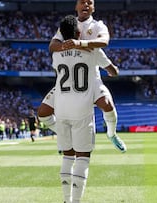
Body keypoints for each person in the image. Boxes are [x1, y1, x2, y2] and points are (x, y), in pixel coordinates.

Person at [38, 0, 126, 153]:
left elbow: (104, 41)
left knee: (107, 104)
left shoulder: (98, 25)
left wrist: (80, 44)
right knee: (43, 113)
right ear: (76, 6)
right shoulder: (68, 24)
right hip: (68, 78)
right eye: (82, 2)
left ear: (93, 7)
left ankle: (112, 134)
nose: (85, 5)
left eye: (89, 2)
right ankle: (66, 135)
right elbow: (52, 46)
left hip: (90, 76)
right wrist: (66, 46)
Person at [51, 15, 119, 203]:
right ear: (79, 33)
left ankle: (66, 200)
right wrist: (113, 70)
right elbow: (112, 70)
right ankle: (76, 201)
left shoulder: (56, 55)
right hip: (81, 108)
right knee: (82, 157)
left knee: (67, 156)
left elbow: (57, 68)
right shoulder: (91, 51)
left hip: (61, 109)